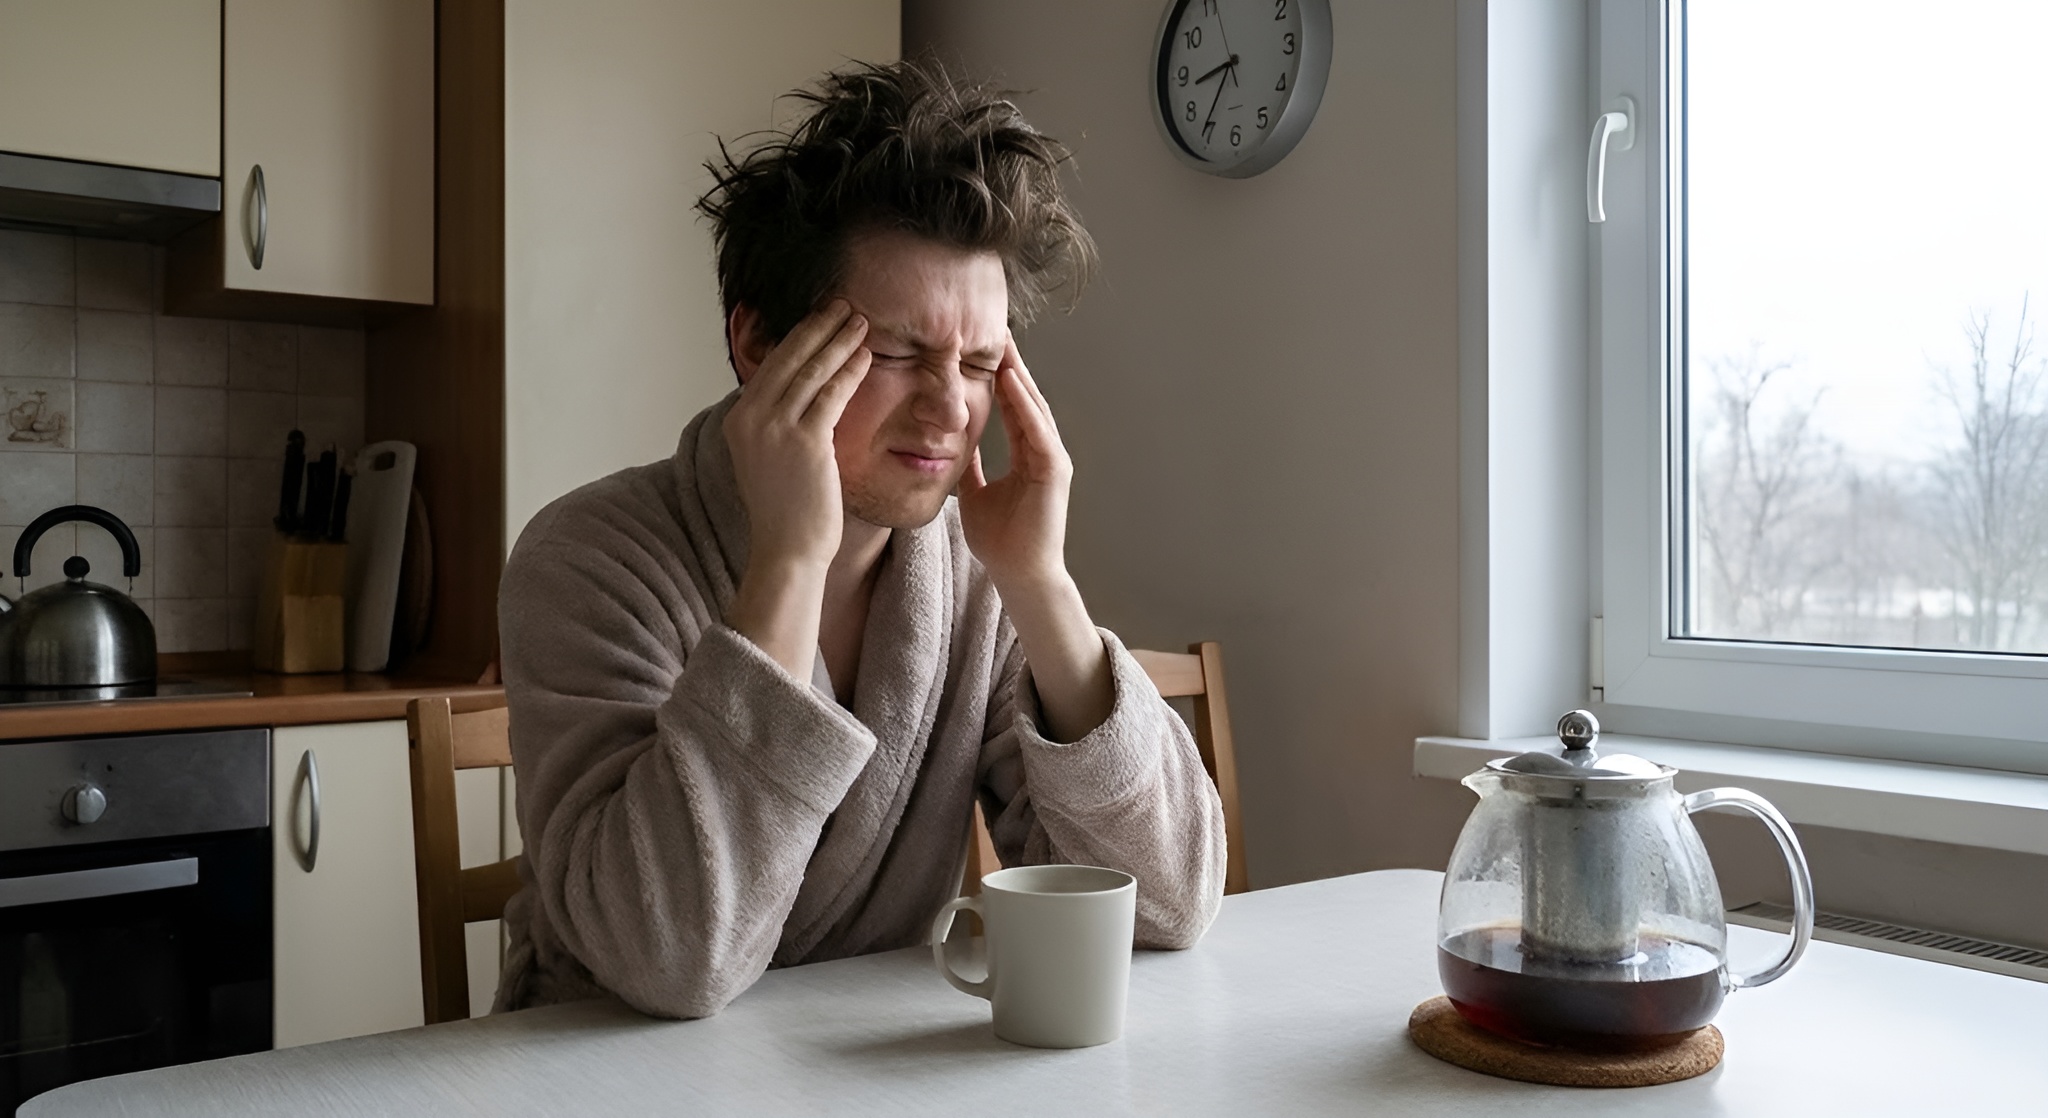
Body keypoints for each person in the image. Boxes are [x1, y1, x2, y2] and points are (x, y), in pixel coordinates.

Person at [494, 59, 1226, 1019]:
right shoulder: (587, 560)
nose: (950, 407)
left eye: (979, 362)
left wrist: (1041, 586)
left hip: (854, 1070)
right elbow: (670, 957)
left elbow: (1170, 904)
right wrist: (790, 564)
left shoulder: (975, 581)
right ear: (758, 345)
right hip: (599, 1075)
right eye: (897, 352)